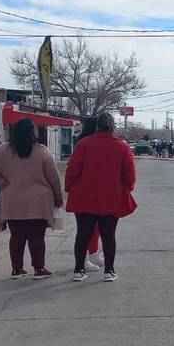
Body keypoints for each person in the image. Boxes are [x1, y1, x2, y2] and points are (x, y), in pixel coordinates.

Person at [0, 118, 62, 280]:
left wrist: (0, 182)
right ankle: (39, 269)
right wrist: (58, 196)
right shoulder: (42, 151)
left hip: (12, 199)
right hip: (39, 201)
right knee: (37, 237)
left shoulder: (3, 149)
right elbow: (53, 177)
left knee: (17, 236)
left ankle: (17, 269)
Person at [66, 112, 137, 282]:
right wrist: (127, 188)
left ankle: (78, 270)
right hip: (110, 197)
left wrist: (69, 188)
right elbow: (129, 174)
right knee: (108, 235)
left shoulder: (83, 144)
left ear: (97, 125)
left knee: (82, 234)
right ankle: (109, 271)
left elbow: (72, 169)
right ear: (113, 126)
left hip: (85, 196)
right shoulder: (122, 147)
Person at [76, 116, 106, 273]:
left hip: (94, 190)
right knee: (86, 229)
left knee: (96, 227)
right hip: (87, 191)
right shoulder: (85, 143)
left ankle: (93, 253)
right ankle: (84, 260)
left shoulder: (85, 142)